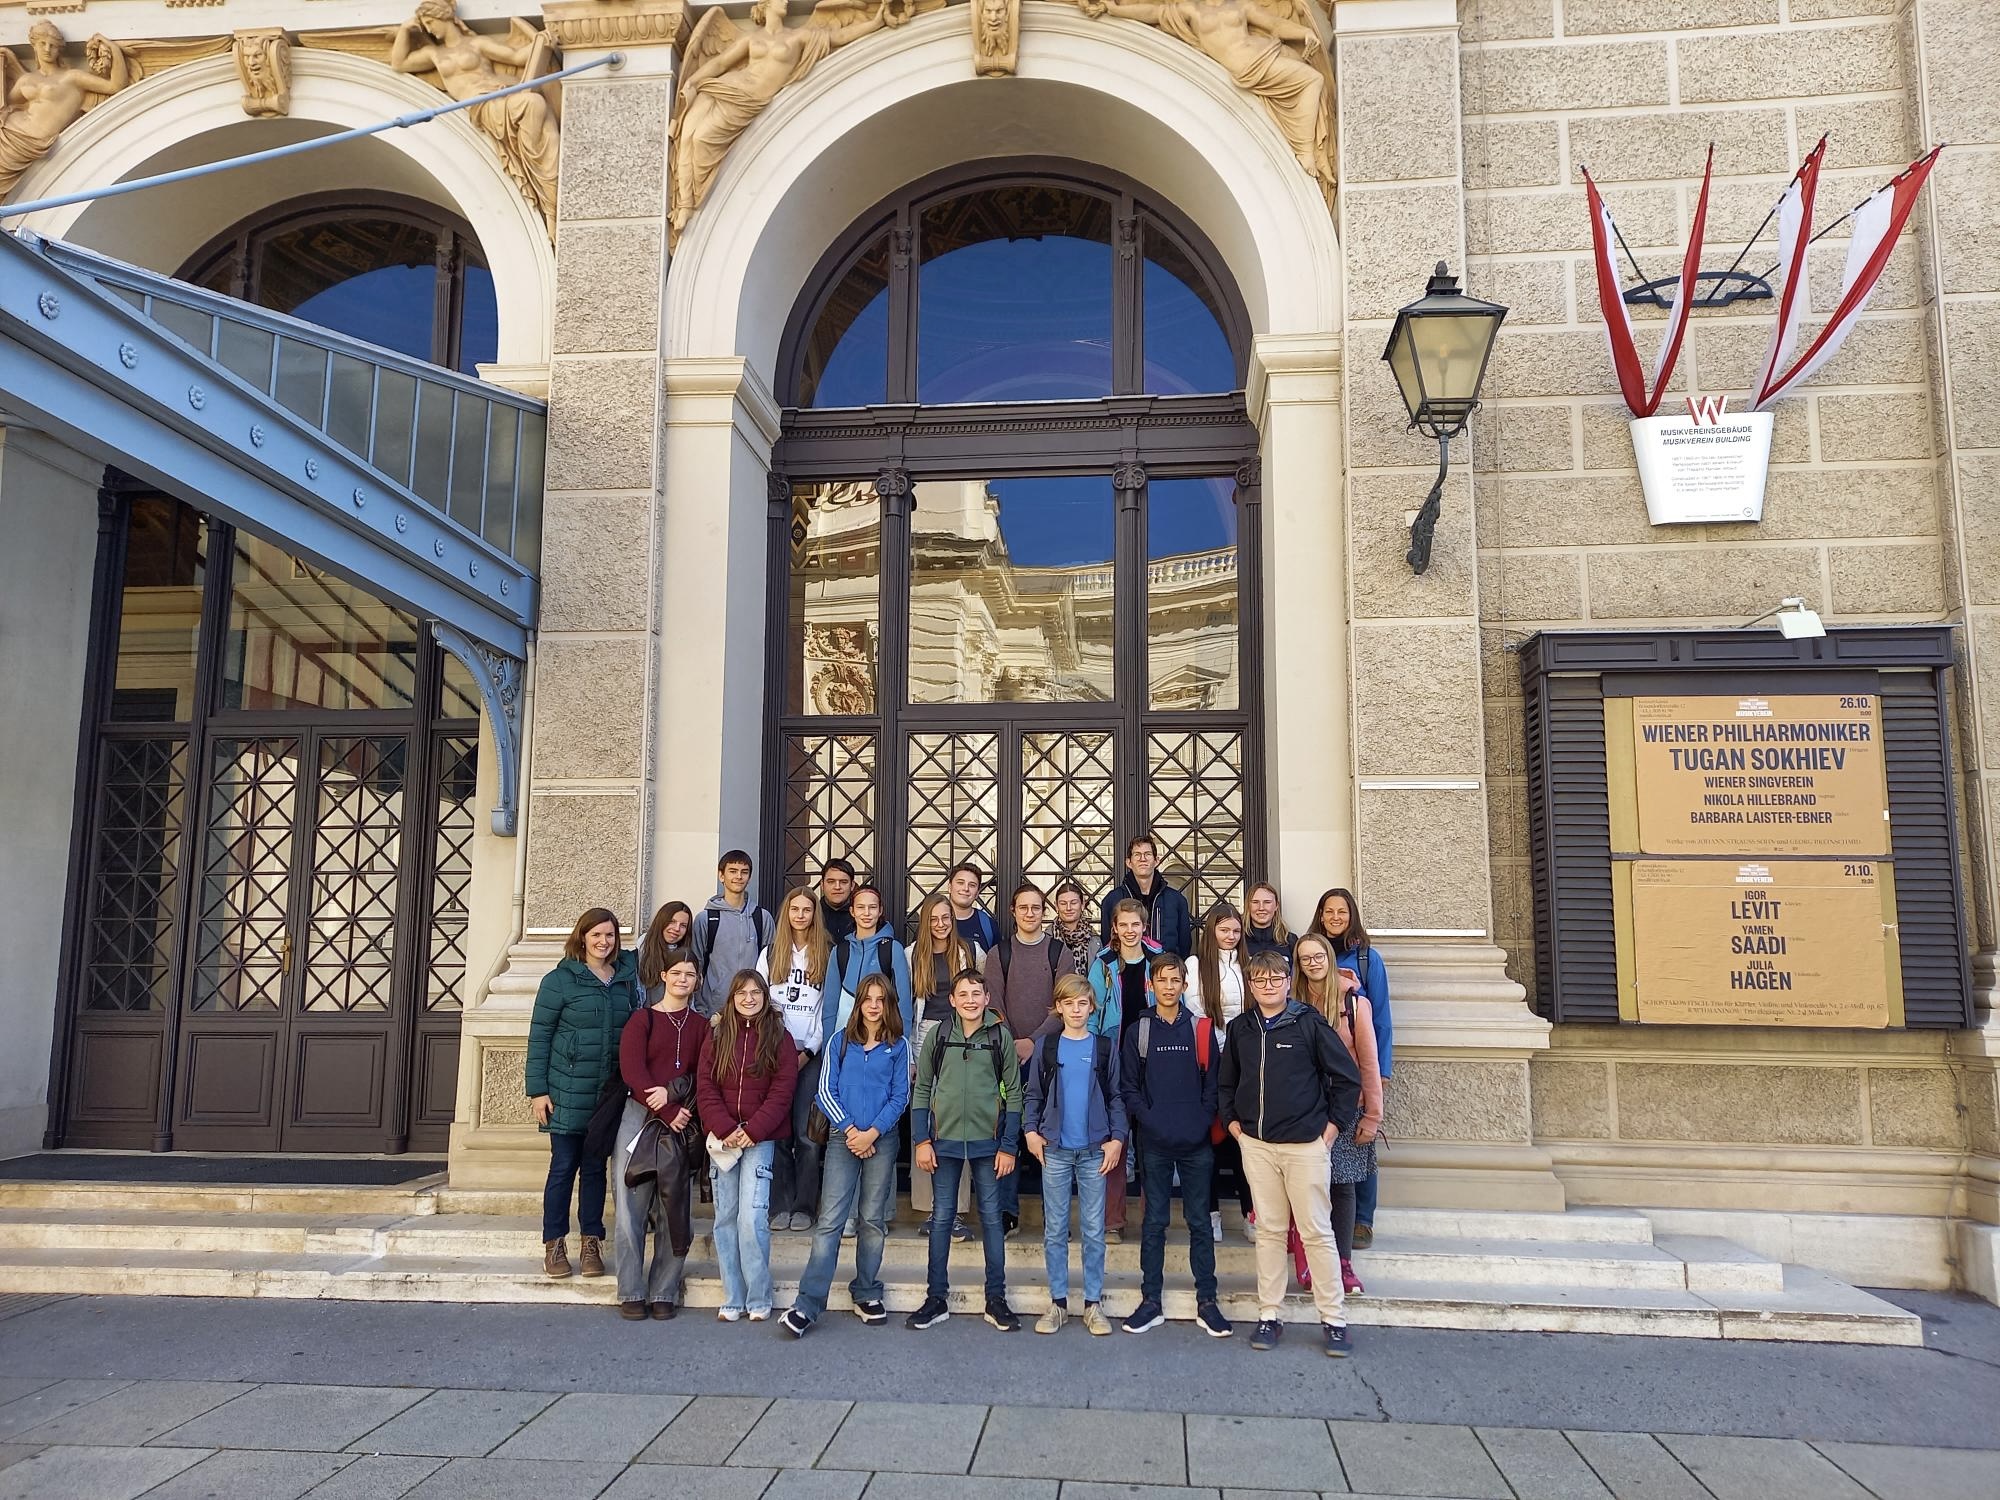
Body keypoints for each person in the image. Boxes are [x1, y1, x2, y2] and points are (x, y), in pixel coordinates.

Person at [1220, 950, 1362, 1358]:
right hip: (1258, 1147)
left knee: (1316, 1232)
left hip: (1305, 1147)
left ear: (1287, 982)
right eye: (1260, 980)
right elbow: (1226, 1083)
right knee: (1269, 1232)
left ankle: (1333, 1319)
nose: (1268, 986)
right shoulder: (1241, 1028)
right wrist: (1235, 1127)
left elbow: (1346, 1078)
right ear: (1251, 986)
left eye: (1275, 979)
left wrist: (1331, 1130)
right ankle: (1270, 1314)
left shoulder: (1308, 1023)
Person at [781, 973, 910, 1336]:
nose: (874, 1006)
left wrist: (872, 1132)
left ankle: (867, 1292)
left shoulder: (899, 1045)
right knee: (830, 1221)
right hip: (843, 1139)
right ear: (858, 1004)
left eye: (880, 999)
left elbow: (900, 1096)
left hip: (881, 1140)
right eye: (867, 999)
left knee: (872, 1220)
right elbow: (825, 1090)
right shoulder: (840, 1041)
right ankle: (808, 1304)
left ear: (889, 1004)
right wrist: (852, 1131)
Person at [906, 969, 1023, 1332]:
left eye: (977, 994)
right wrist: (921, 1140)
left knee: (991, 1218)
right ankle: (936, 1298)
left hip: (989, 1143)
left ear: (987, 998)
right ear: (952, 1000)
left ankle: (996, 1298)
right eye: (963, 994)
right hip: (945, 1142)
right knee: (942, 1217)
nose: (970, 1000)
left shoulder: (1000, 1036)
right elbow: (922, 1088)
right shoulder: (939, 1035)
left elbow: (1014, 1094)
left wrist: (1008, 1146)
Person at [1120, 952, 1228, 1337]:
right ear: (1151, 985)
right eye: (1162, 980)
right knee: (1154, 1222)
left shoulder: (1201, 1029)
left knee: (1200, 1222)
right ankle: (1151, 1300)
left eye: (1175, 980)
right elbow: (1129, 1088)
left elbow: (1214, 1086)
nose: (1169, 987)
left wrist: (1200, 1122)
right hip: (1155, 1142)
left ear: (1185, 985)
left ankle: (1207, 1301)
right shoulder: (1139, 1031)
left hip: (1196, 1143)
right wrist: (1151, 1121)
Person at [526, 907, 637, 1279]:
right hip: (566, 1091)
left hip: (606, 1096)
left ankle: (592, 1242)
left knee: (594, 1171)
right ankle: (554, 1243)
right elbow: (540, 1036)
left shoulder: (623, 980)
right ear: (583, 938)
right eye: (596, 935)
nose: (603, 942)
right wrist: (537, 1091)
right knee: (562, 1168)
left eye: (609, 935)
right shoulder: (559, 980)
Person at [1023, 974, 1126, 1335]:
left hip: (1095, 1150)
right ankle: (1058, 1303)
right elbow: (1033, 1094)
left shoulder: (1104, 1048)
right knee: (1055, 1230)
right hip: (1055, 1149)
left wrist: (1117, 1138)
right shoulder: (1047, 1047)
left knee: (1094, 1230)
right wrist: (1031, 1132)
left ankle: (1093, 1304)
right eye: (1069, 1003)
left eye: (1083, 1003)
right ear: (1059, 1008)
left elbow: (1116, 1096)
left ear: (1092, 1007)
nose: (1076, 1010)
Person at [695, 969, 798, 1322]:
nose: (749, 999)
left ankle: (758, 1295)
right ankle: (733, 1296)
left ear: (765, 996)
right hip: (723, 1139)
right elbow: (705, 1086)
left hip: (759, 1138)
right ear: (732, 998)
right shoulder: (718, 1035)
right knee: (725, 1217)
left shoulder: (780, 1036)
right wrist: (725, 1128)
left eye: (756, 992)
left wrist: (753, 1130)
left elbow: (783, 1090)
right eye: (742, 993)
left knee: (752, 1218)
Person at [982, 882, 1080, 1237]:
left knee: (1049, 1134)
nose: (1029, 913)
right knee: (1007, 1130)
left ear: (1044, 911)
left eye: (1035, 907)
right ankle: (1006, 1212)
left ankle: (1054, 1217)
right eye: (1022, 907)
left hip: (1049, 1056)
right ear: (1013, 911)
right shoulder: (1000, 953)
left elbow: (1064, 1002)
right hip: (1006, 1056)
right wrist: (1013, 1042)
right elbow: (992, 1003)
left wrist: (1033, 1042)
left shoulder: (1058, 952)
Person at [614, 945, 705, 1319]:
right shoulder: (643, 1020)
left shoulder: (702, 1027)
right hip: (640, 1118)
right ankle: (631, 1290)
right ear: (664, 976)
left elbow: (704, 1073)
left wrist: (677, 1105)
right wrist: (665, 1109)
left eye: (690, 974)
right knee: (630, 1209)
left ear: (697, 981)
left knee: (674, 1207)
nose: (683, 979)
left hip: (682, 1120)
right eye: (677, 973)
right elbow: (632, 1071)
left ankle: (664, 1289)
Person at [1299, 939, 1384, 1295]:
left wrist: (1373, 1115)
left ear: (1330, 958)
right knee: (1308, 1186)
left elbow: (1369, 1061)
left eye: (1318, 956)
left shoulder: (1355, 1003)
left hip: (1347, 1106)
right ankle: (1312, 1262)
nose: (1313, 963)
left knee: (1342, 1184)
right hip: (1304, 1107)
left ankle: (1343, 1263)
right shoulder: (1293, 1002)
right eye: (1305, 958)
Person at [1310, 888, 1393, 1249]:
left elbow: (1381, 1018)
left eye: (1341, 911)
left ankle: (1363, 1219)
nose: (1335, 918)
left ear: (1351, 915)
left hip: (1358, 1067)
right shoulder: (1311, 954)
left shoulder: (1366, 959)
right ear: (1321, 915)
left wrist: (1382, 1070)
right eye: (1329, 911)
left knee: (1362, 1145)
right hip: (1319, 1079)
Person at [758, 888, 832, 1232]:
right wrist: (776, 1048)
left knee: (807, 1135)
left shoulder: (826, 954)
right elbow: (759, 1002)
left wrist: (809, 1051)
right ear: (786, 913)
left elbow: (826, 1010)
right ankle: (779, 1205)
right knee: (777, 1132)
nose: (800, 915)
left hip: (809, 1056)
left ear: (814, 914)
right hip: (773, 1055)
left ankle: (805, 1206)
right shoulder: (770, 953)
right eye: (794, 909)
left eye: (807, 910)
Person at [906, 892, 979, 1233]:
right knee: (925, 1120)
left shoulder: (969, 952)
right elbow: (906, 1008)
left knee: (957, 1120)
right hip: (924, 1037)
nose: (940, 924)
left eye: (945, 918)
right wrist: (909, 1056)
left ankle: (956, 1211)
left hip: (960, 1037)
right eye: (933, 918)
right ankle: (930, 1209)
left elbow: (979, 998)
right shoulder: (911, 955)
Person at [1086, 898, 1157, 1240]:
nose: (1130, 931)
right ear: (1114, 928)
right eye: (1123, 925)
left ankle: (1152, 1221)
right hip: (1114, 1058)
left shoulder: (1158, 960)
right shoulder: (1103, 964)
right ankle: (1112, 1221)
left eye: (1135, 924)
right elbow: (1091, 1011)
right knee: (1114, 1138)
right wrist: (1095, 1057)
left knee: (1152, 1142)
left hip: (1153, 1058)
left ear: (1144, 927)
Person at [1186, 902, 1248, 1242]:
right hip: (1208, 1062)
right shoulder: (1195, 966)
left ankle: (1250, 1213)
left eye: (1236, 931)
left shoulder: (1248, 964)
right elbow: (1197, 1014)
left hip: (1243, 1063)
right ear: (1211, 930)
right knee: (1206, 1140)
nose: (1230, 936)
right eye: (1224, 930)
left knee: (1243, 1139)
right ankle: (1210, 1214)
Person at [825, 882, 915, 1038]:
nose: (866, 913)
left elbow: (904, 1004)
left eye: (872, 907)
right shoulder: (840, 952)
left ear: (880, 911)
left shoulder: (892, 949)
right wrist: (828, 1046)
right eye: (860, 907)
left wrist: (903, 1044)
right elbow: (829, 1008)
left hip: (882, 1041)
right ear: (852, 911)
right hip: (845, 1042)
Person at [693, 849, 776, 1016]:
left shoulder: (762, 917)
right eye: (733, 871)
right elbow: (695, 966)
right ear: (721, 875)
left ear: (749, 877)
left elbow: (772, 965)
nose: (739, 876)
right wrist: (700, 1008)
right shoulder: (706, 919)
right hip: (715, 1008)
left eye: (744, 872)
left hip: (752, 1008)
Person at [1098, 834, 1193, 958]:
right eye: (1137, 854)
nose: (1142, 859)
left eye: (1147, 854)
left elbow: (1184, 944)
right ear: (1129, 862)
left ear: (1156, 861)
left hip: (1165, 967)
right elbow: (1108, 941)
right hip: (1125, 967)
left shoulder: (1176, 900)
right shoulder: (1113, 900)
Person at [637, 901, 694, 1005]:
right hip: (647, 1010)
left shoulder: (687, 951)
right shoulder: (644, 944)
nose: (677, 928)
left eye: (683, 925)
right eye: (672, 922)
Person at [948, 861, 1002, 952]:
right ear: (949, 887)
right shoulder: (933, 921)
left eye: (972, 885)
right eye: (960, 883)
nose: (966, 888)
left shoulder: (988, 925)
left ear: (977, 893)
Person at [1243, 882, 1296, 964]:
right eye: (1255, 902)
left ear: (1276, 905)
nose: (1261, 908)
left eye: (1267, 902)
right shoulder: (1239, 940)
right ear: (1248, 906)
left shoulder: (1290, 940)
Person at [1049, 878, 1098, 962]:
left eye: (1073, 903)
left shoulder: (1095, 940)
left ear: (1082, 905)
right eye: (1063, 903)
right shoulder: (1047, 938)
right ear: (1056, 906)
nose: (1068, 908)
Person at [819, 857, 858, 942]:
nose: (837, 887)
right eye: (831, 882)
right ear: (822, 884)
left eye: (843, 882)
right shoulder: (812, 913)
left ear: (852, 885)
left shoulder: (861, 915)